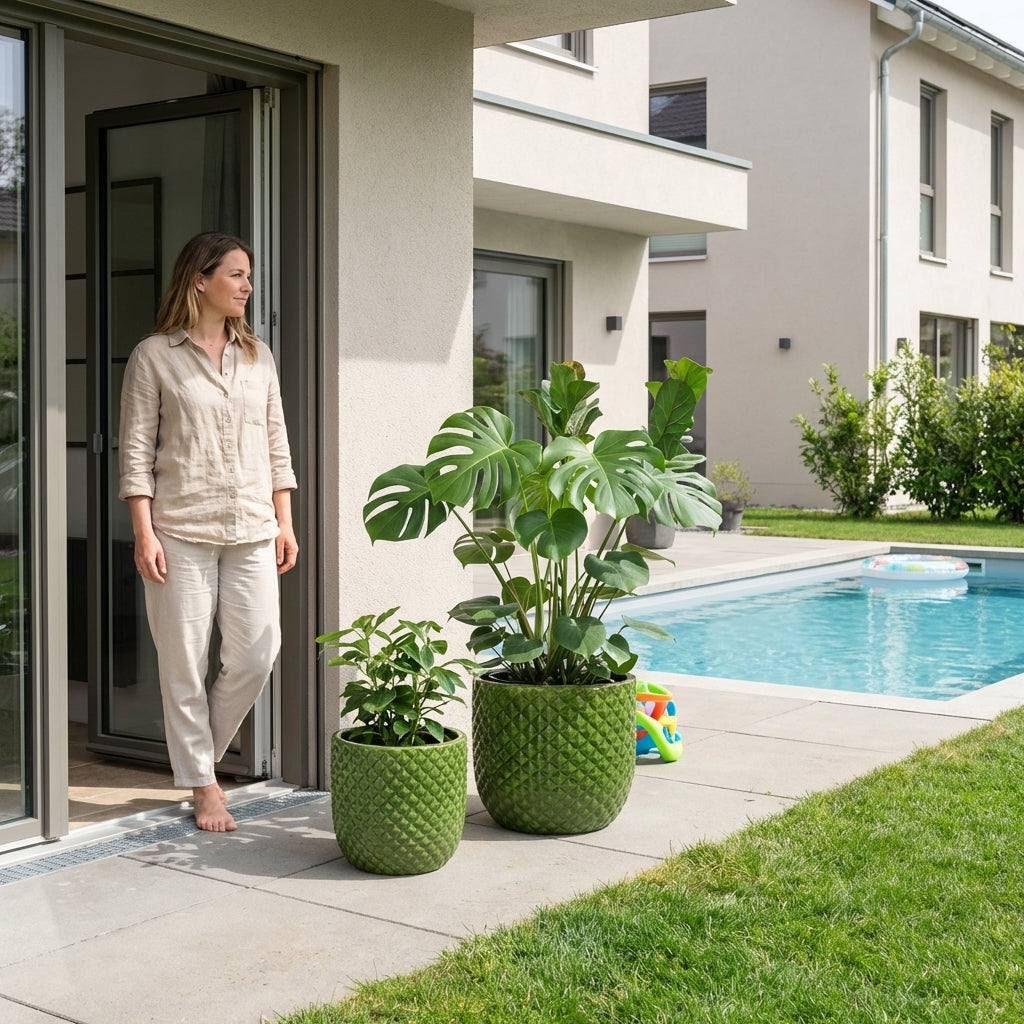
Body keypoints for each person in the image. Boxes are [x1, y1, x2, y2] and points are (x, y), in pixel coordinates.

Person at [118, 232, 298, 832]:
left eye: (249, 276)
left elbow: (277, 445)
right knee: (184, 662)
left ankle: (200, 764)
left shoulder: (258, 357)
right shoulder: (154, 356)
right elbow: (137, 451)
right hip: (181, 530)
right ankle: (203, 785)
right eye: (237, 275)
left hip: (252, 526)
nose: (248, 286)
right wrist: (144, 533)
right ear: (201, 279)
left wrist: (284, 521)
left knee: (256, 652)